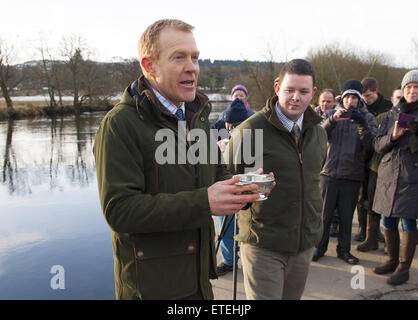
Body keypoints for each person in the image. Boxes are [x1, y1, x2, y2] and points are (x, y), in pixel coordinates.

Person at [93, 19, 262, 300]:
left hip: (199, 281)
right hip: (151, 289)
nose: (192, 67)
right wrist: (204, 202)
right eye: (179, 57)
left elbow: (216, 174)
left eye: (195, 57)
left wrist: (243, 188)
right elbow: (119, 211)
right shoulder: (120, 124)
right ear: (149, 66)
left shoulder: (196, 118)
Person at [225, 59, 328, 300]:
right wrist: (249, 190)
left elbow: (313, 178)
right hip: (264, 244)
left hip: (303, 244)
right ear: (277, 88)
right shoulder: (250, 131)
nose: (296, 97)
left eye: (303, 92)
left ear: (313, 93)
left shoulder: (319, 133)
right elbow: (227, 180)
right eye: (289, 90)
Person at [313, 79, 377, 265]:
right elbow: (319, 135)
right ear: (343, 97)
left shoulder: (368, 117)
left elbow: (371, 144)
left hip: (352, 175)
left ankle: (344, 250)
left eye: (354, 97)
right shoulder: (332, 113)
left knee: (347, 216)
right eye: (347, 96)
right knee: (324, 215)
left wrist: (361, 123)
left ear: (359, 99)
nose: (350, 100)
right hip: (328, 173)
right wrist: (332, 120)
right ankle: (319, 247)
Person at [372, 70, 418, 285]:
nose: (412, 90)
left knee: (408, 222)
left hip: (412, 176)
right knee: (386, 219)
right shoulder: (392, 113)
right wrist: (393, 136)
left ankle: (403, 267)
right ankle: (391, 260)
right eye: (408, 87)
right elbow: (378, 144)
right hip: (389, 176)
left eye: (416, 87)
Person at [215, 97, 253, 276]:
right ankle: (229, 260)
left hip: (245, 188)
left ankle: (248, 258)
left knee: (246, 226)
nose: (229, 127)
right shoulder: (220, 134)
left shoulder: (252, 135)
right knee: (225, 228)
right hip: (225, 188)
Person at [354, 77, 392, 250]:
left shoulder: (387, 108)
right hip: (363, 158)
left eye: (368, 96)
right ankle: (364, 230)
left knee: (375, 197)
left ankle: (375, 233)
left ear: (376, 91)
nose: (366, 99)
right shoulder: (360, 107)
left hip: (379, 160)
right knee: (362, 197)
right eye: (363, 97)